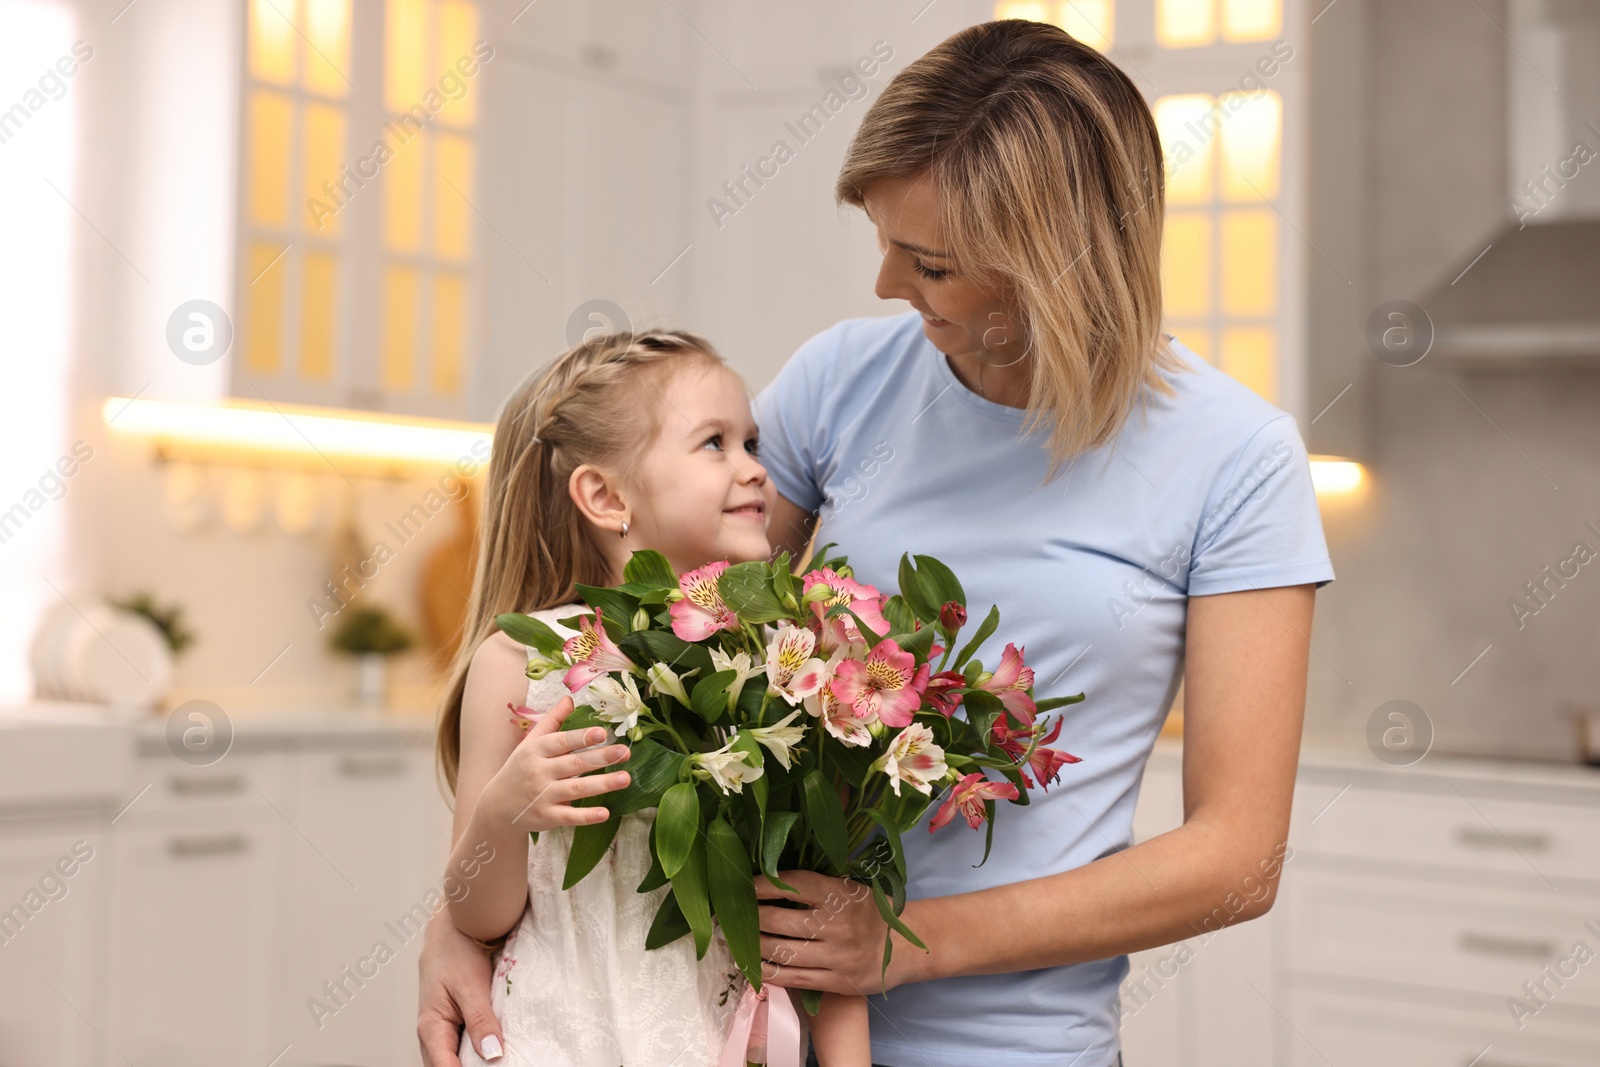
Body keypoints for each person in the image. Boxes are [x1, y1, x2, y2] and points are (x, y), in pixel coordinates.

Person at [421, 18, 1333, 1067]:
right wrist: (460, 917)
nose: (886, 287)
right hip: (744, 1031)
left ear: (1056, 267)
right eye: (885, 240)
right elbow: (654, 642)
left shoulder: (1238, 460)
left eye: (931, 263)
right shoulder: (840, 383)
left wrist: (903, 945)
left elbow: (1236, 857)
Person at [433, 329, 871, 1066]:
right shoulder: (521, 662)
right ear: (605, 496)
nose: (756, 471)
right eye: (715, 444)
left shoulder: (787, 662)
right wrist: (505, 811)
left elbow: (820, 916)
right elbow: (476, 915)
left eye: (752, 444)